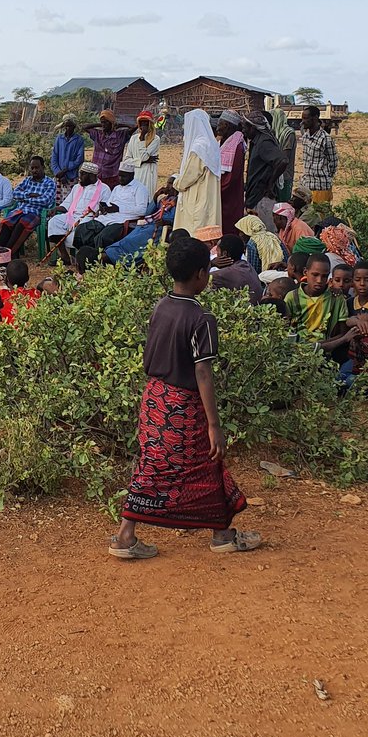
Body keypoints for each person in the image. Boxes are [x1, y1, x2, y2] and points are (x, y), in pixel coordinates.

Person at [110, 236, 260, 560]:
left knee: (156, 464)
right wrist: (214, 424)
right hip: (183, 406)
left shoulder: (161, 306)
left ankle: (130, 534)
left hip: (154, 399)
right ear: (201, 276)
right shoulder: (202, 319)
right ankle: (219, 534)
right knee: (206, 462)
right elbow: (203, 373)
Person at [72, 165, 151, 271]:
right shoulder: (117, 188)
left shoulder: (140, 188)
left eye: (124, 176)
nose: (121, 179)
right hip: (107, 217)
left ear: (132, 175)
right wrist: (105, 208)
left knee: (103, 237)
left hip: (123, 220)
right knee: (82, 229)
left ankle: (97, 263)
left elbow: (142, 210)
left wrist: (119, 208)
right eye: (119, 176)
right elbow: (110, 203)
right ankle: (83, 260)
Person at [284, 254, 355, 357]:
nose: (319, 280)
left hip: (325, 354)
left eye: (324, 276)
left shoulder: (336, 298)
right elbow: (285, 331)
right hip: (296, 354)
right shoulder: (292, 297)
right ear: (305, 272)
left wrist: (319, 346)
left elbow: (342, 332)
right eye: (315, 275)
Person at [46, 162, 110, 262]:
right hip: (71, 215)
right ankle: (65, 256)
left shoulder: (104, 189)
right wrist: (55, 209)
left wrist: (99, 211)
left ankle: (80, 259)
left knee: (81, 229)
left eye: (82, 174)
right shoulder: (77, 187)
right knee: (54, 221)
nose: (79, 177)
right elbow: (67, 204)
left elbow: (105, 209)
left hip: (88, 219)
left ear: (92, 176)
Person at [0, 156, 56, 256]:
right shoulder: (27, 180)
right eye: (32, 168)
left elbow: (45, 201)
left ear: (43, 167)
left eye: (37, 168)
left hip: (35, 213)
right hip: (20, 210)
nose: (34, 170)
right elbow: (15, 193)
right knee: (6, 223)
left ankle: (9, 252)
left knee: (21, 224)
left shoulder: (49, 183)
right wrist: (29, 195)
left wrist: (24, 197)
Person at [173, 109, 222, 236]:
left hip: (197, 196)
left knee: (195, 232)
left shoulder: (200, 147)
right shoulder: (212, 144)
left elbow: (189, 176)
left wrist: (176, 183)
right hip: (208, 195)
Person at [241, 112, 287, 232]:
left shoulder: (264, 143)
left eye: (245, 127)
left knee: (265, 235)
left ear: (252, 127)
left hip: (262, 197)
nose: (243, 130)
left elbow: (283, 161)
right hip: (256, 194)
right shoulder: (257, 141)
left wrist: (270, 183)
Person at [215, 111, 246, 237]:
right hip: (221, 193)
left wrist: (217, 190)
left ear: (227, 126)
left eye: (220, 124)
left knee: (229, 227)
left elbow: (231, 178)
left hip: (229, 195)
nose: (217, 128)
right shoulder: (224, 142)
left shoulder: (236, 146)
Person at [300, 106, 338, 204]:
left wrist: (325, 176)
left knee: (321, 217)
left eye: (306, 118)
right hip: (306, 185)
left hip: (321, 187)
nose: (303, 121)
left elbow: (333, 163)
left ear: (315, 118)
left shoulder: (326, 139)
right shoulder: (305, 137)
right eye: (302, 118)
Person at [84, 110, 131, 189]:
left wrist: (118, 125)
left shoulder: (120, 136)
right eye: (102, 122)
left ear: (111, 123)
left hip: (112, 175)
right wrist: (101, 124)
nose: (103, 125)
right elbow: (84, 127)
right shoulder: (97, 134)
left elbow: (133, 128)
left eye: (106, 122)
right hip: (97, 174)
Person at [210, 235, 263, 304]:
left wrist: (211, 264)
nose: (216, 256)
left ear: (224, 254)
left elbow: (199, 279)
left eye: (218, 251)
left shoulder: (224, 274)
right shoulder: (247, 265)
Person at [121, 111, 160, 198]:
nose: (143, 126)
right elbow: (127, 160)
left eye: (146, 123)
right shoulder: (134, 138)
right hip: (135, 172)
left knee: (146, 196)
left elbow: (144, 156)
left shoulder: (155, 139)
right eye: (141, 123)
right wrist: (141, 162)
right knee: (134, 197)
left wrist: (142, 139)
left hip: (148, 172)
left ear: (150, 124)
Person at [50, 114, 85, 199]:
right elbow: (54, 157)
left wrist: (65, 169)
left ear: (74, 127)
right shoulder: (59, 138)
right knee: (56, 200)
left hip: (71, 176)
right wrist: (59, 173)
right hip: (59, 176)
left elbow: (79, 159)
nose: (67, 128)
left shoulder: (79, 140)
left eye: (70, 126)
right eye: (66, 126)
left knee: (70, 200)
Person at [0, 259, 42, 324]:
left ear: (7, 279)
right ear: (28, 278)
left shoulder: (1, 296)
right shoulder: (36, 294)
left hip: (8, 332)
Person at [269, 108, 297, 201]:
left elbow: (285, 156)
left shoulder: (289, 133)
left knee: (282, 204)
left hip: (284, 175)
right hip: (274, 174)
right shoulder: (273, 133)